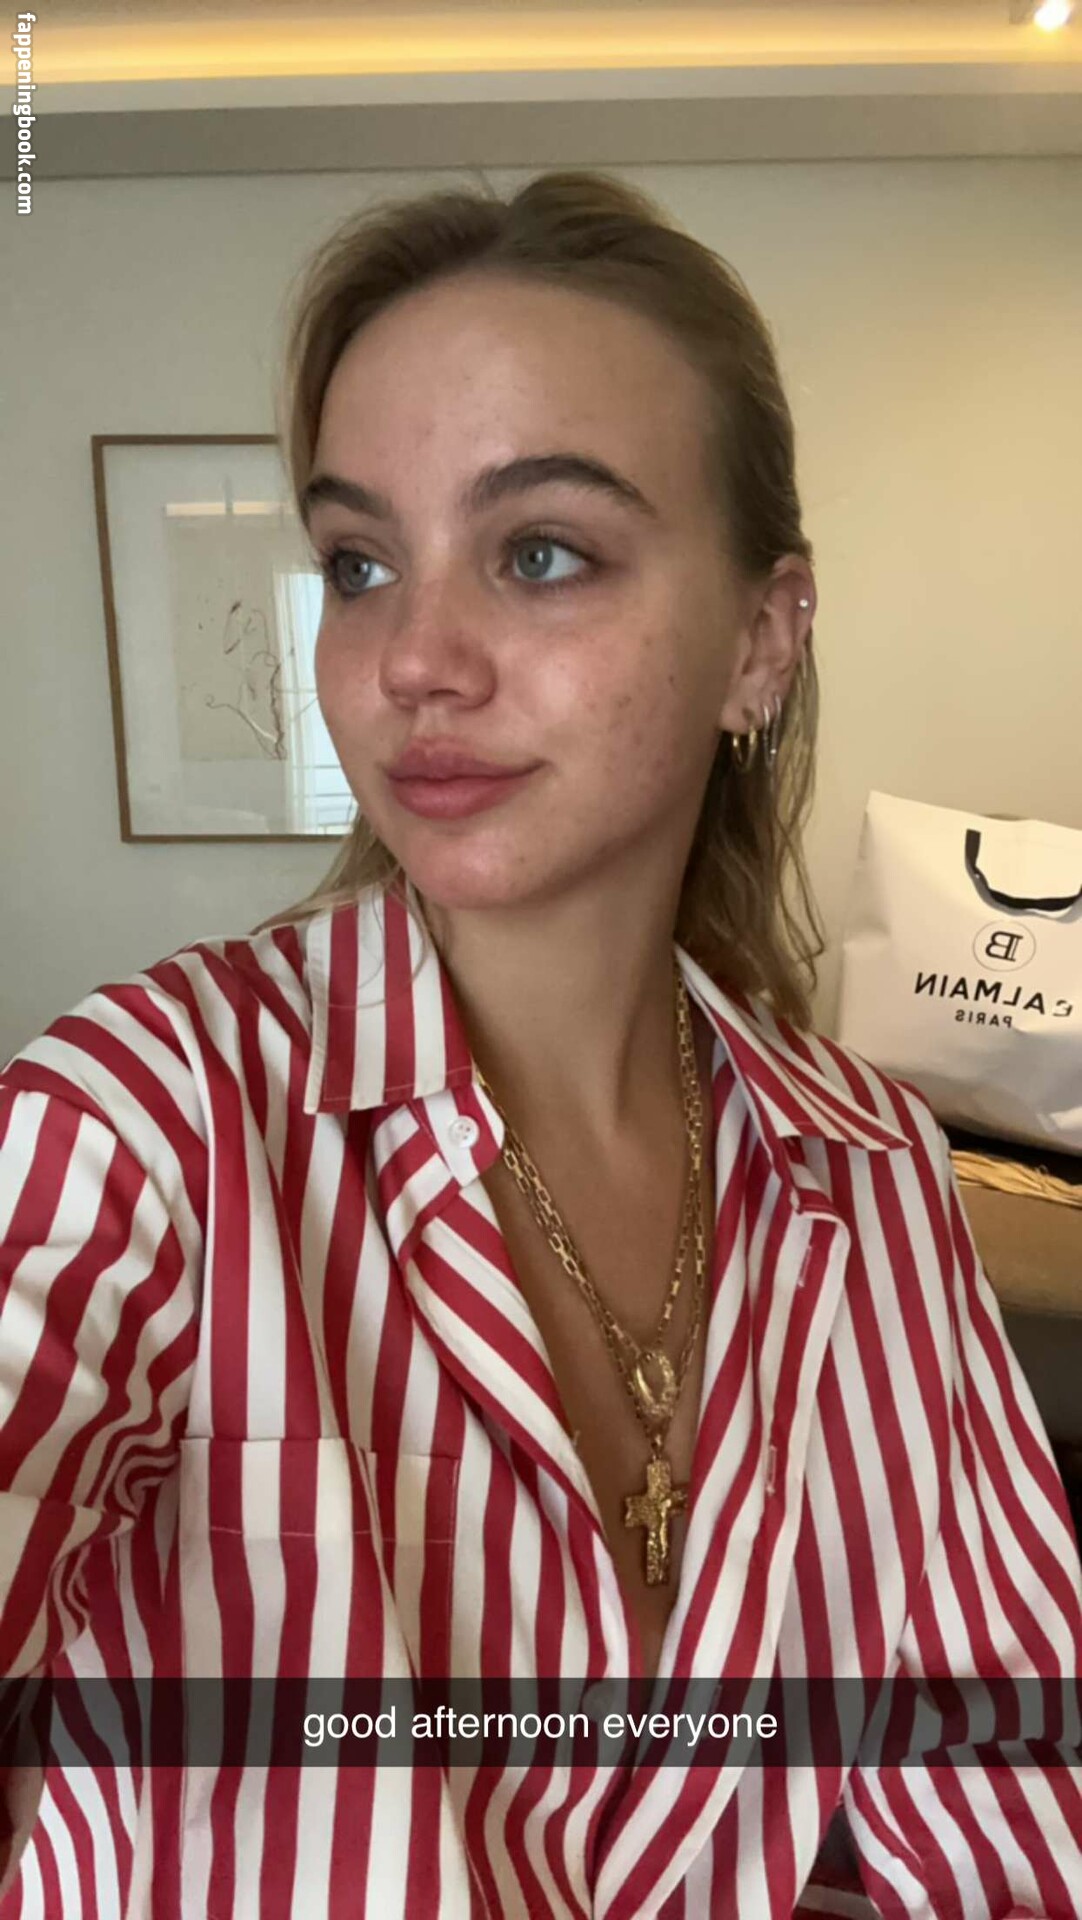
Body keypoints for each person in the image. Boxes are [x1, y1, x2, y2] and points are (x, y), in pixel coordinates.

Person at [1, 169, 1080, 1920]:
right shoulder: (145, 1121)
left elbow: (1000, 1793)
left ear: (759, 641)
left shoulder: (876, 1173)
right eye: (358, 565)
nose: (411, 659)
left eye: (541, 552)